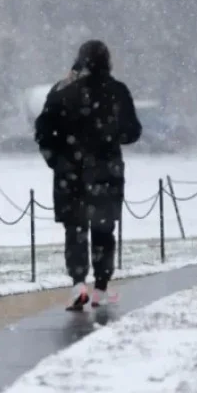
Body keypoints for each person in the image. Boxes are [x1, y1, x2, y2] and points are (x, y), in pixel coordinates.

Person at [34, 40, 142, 311]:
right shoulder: (117, 92)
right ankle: (101, 287)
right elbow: (132, 132)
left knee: (75, 230)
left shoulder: (63, 92)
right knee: (104, 231)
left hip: (70, 174)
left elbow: (44, 131)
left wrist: (57, 162)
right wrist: (110, 135)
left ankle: (78, 283)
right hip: (106, 172)